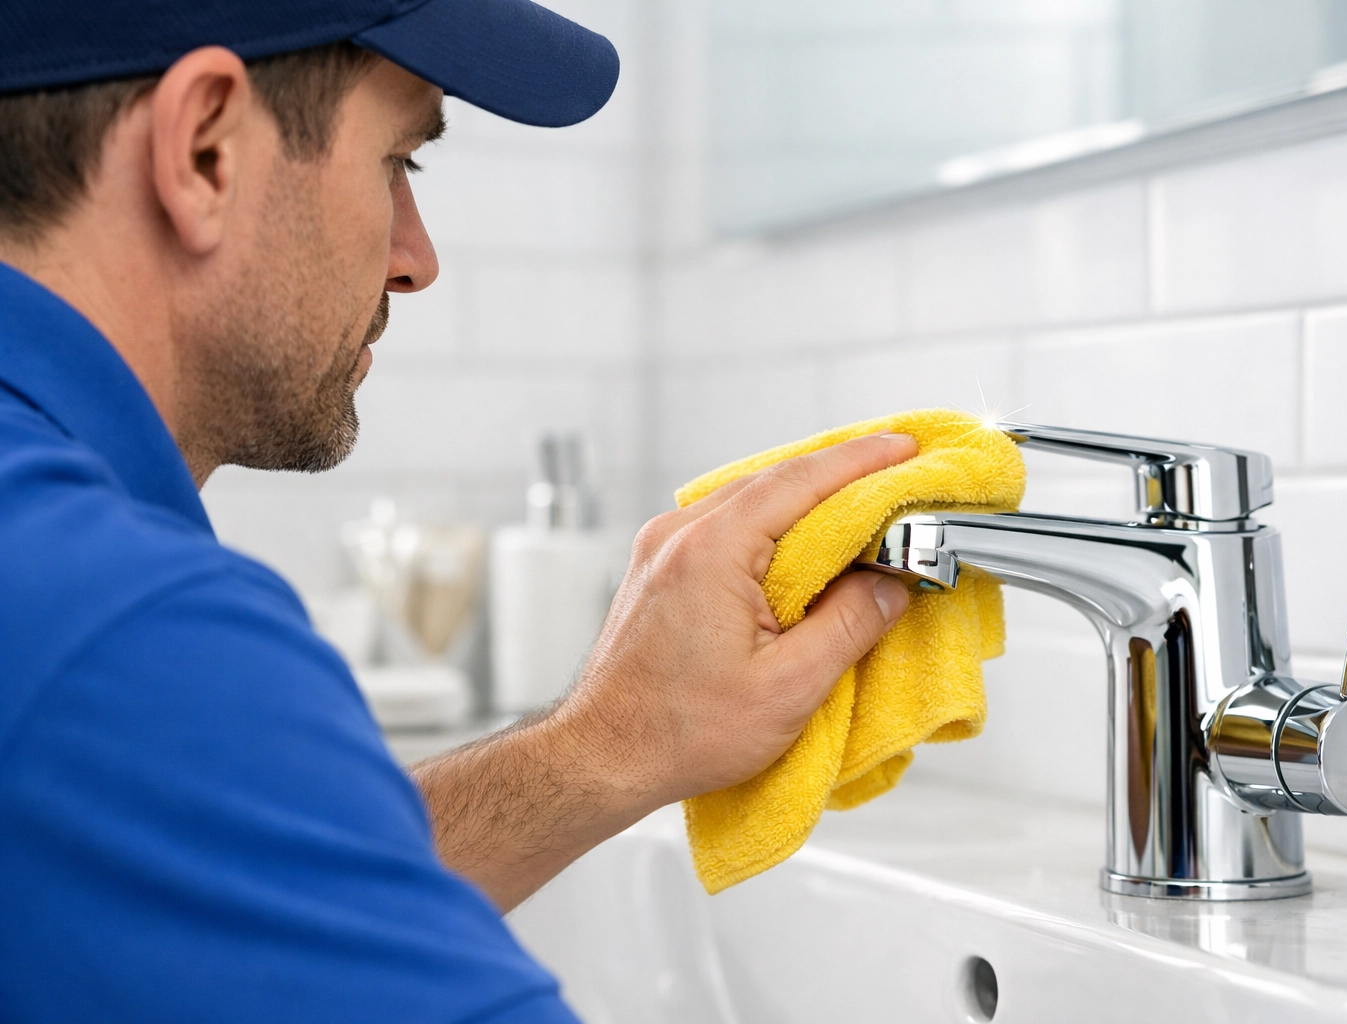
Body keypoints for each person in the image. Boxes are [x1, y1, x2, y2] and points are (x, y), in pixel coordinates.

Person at [0, 1, 916, 1020]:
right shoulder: (121, 636)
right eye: (401, 159)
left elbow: (212, 892)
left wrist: (608, 742)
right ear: (204, 150)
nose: (417, 257)